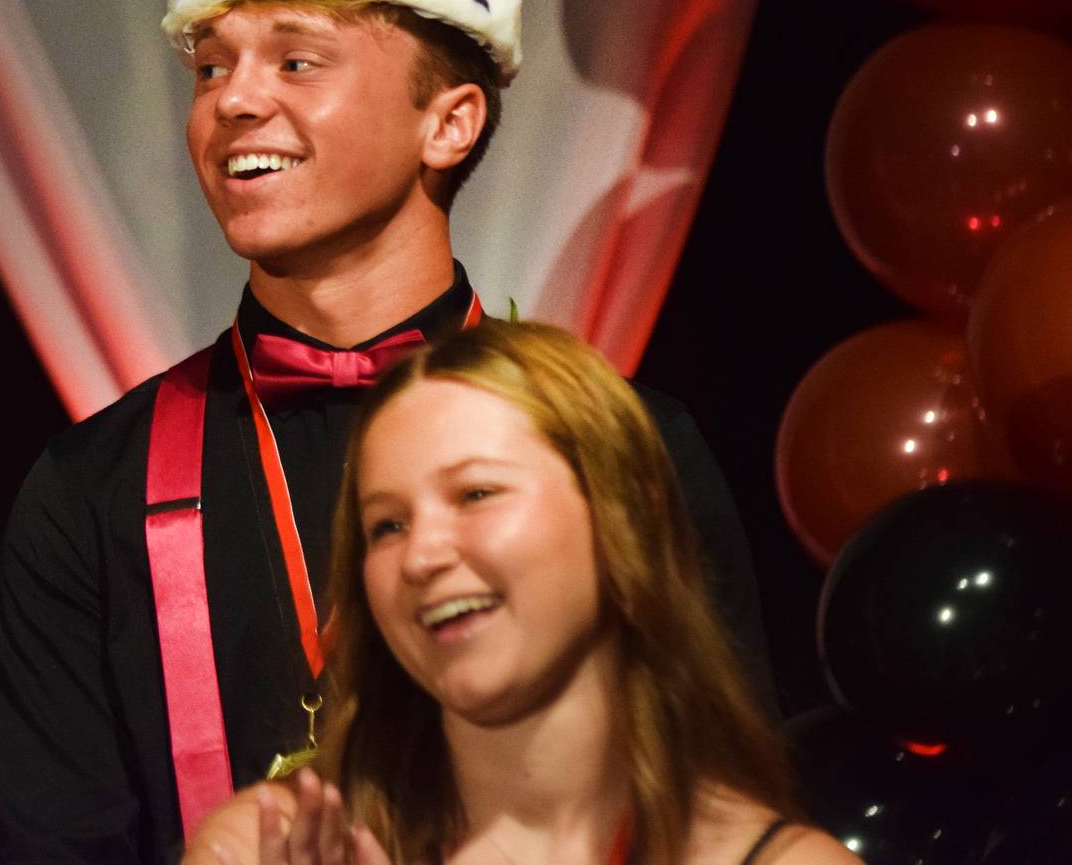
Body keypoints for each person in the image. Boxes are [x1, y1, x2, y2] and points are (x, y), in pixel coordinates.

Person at [0, 0, 769, 864]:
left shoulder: (627, 454)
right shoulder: (89, 495)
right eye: (210, 66)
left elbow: (723, 811)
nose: (233, 101)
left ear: (450, 121)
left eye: (296, 58)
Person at [180, 321, 857, 865]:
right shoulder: (267, 848)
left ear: (623, 510)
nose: (421, 553)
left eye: (475, 493)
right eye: (386, 524)